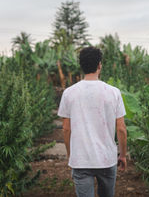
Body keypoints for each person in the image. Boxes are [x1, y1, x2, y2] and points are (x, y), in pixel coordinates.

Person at [58, 46, 127, 197]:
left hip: (81, 160)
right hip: (107, 159)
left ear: (81, 66)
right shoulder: (114, 92)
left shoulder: (69, 93)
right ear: (99, 65)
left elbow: (66, 129)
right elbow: (121, 128)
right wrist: (122, 155)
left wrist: (71, 155)